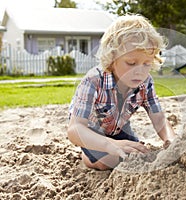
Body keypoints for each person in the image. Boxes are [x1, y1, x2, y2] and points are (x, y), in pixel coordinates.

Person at [67, 14, 177, 170]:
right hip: (89, 131)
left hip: (117, 128)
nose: (139, 71)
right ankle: (87, 155)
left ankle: (113, 145)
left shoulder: (145, 82)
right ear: (112, 59)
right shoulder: (93, 80)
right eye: (131, 63)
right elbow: (75, 129)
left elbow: (159, 118)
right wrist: (109, 145)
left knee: (136, 152)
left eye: (146, 64)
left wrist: (170, 139)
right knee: (107, 162)